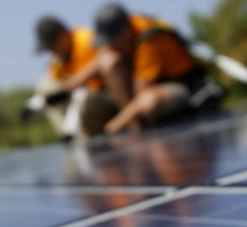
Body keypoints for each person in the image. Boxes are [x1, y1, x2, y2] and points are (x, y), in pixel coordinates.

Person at [71, 4, 223, 134]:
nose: (110, 45)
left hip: (182, 88)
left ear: (125, 31)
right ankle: (135, 125)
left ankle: (136, 129)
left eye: (112, 40)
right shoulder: (128, 29)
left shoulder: (149, 39)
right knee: (108, 61)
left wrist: (114, 126)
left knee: (150, 102)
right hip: (144, 92)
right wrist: (70, 83)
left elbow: (142, 95)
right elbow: (102, 60)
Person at [26, 16, 119, 139]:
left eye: (52, 45)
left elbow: (98, 79)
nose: (52, 51)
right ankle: (68, 138)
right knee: (45, 87)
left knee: (80, 101)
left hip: (103, 98)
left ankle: (82, 139)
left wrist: (76, 83)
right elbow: (57, 85)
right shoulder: (58, 56)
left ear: (62, 35)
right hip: (76, 99)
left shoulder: (87, 40)